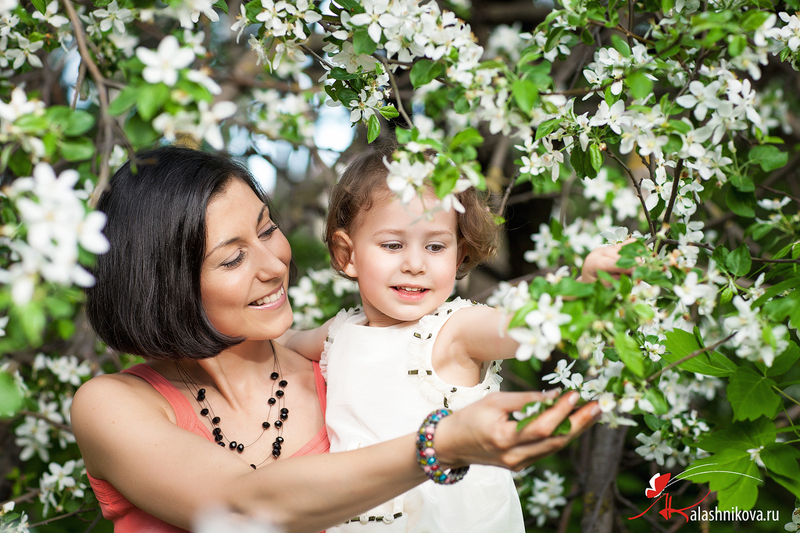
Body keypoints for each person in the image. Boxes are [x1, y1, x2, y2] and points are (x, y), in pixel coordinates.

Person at [70, 145, 603, 533]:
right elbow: (239, 507)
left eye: (267, 229)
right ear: (163, 283)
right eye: (233, 258)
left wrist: (586, 291)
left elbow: (499, 328)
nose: (274, 265)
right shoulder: (113, 405)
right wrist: (442, 443)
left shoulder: (337, 376)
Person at [283, 144, 630, 532]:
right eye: (393, 245)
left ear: (458, 254)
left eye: (435, 246)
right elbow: (282, 342)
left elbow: (525, 325)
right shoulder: (339, 334)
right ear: (346, 254)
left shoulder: (455, 331)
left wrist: (585, 289)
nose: (415, 264)